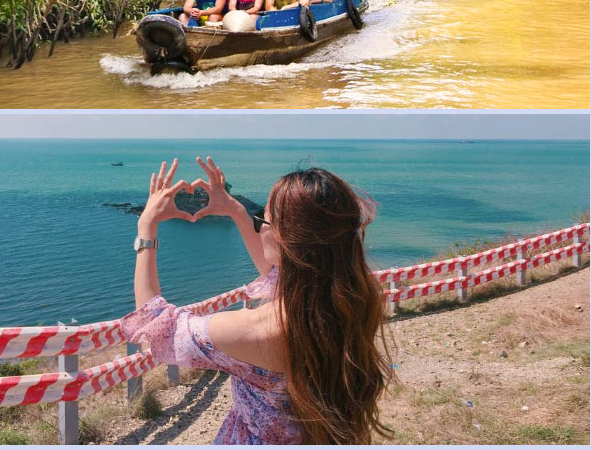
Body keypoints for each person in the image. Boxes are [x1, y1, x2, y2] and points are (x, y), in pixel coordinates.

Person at [124, 158, 392, 444]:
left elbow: (155, 326)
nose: (259, 224)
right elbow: (282, 275)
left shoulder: (255, 330)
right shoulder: (352, 299)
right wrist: (235, 210)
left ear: (286, 241)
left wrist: (147, 228)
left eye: (264, 219)